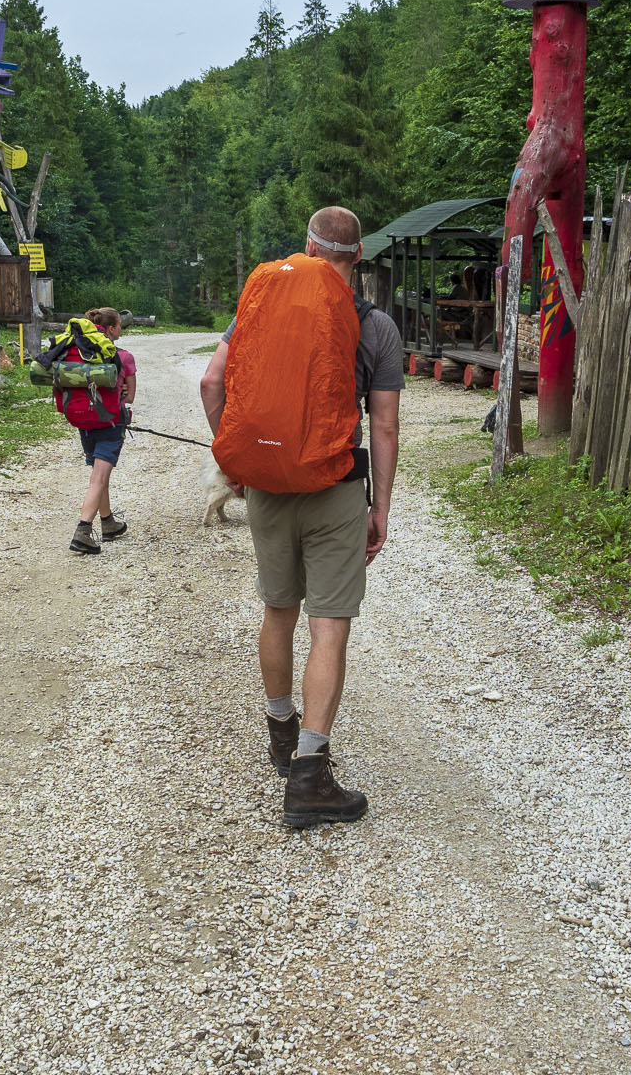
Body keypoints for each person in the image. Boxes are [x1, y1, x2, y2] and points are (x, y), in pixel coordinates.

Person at [199, 207, 404, 827]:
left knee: (277, 610)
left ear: (307, 247)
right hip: (336, 488)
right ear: (358, 254)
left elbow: (213, 385)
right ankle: (311, 775)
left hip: (266, 486)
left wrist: (237, 467)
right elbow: (386, 424)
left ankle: (281, 730)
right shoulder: (377, 326)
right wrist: (380, 508)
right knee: (330, 625)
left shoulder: (257, 306)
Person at [68, 307, 136, 555]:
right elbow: (129, 397)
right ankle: (83, 531)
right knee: (98, 477)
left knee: (99, 473)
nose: (120, 329)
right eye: (119, 325)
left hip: (83, 421)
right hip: (110, 423)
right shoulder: (124, 357)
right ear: (110, 329)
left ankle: (108, 523)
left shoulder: (77, 352)